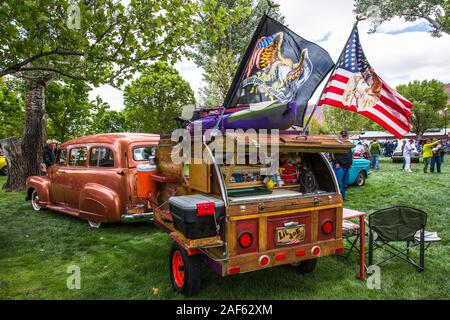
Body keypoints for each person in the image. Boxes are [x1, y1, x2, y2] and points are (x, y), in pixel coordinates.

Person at [332, 130, 353, 201]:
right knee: (337, 183)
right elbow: (333, 154)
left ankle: (342, 198)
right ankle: (336, 199)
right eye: (343, 135)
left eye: (345, 136)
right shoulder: (337, 144)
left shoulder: (348, 144)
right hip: (340, 166)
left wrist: (350, 164)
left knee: (345, 184)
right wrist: (336, 163)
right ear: (340, 136)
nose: (344, 137)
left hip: (347, 167)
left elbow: (350, 154)